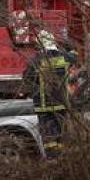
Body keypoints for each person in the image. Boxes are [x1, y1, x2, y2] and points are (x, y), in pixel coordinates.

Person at [22, 31, 74, 159]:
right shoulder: (64, 56)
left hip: (43, 105)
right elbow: (74, 57)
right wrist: (68, 46)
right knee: (61, 134)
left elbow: (27, 78)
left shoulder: (36, 59)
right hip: (61, 103)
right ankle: (62, 159)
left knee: (49, 136)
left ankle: (52, 159)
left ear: (40, 44)